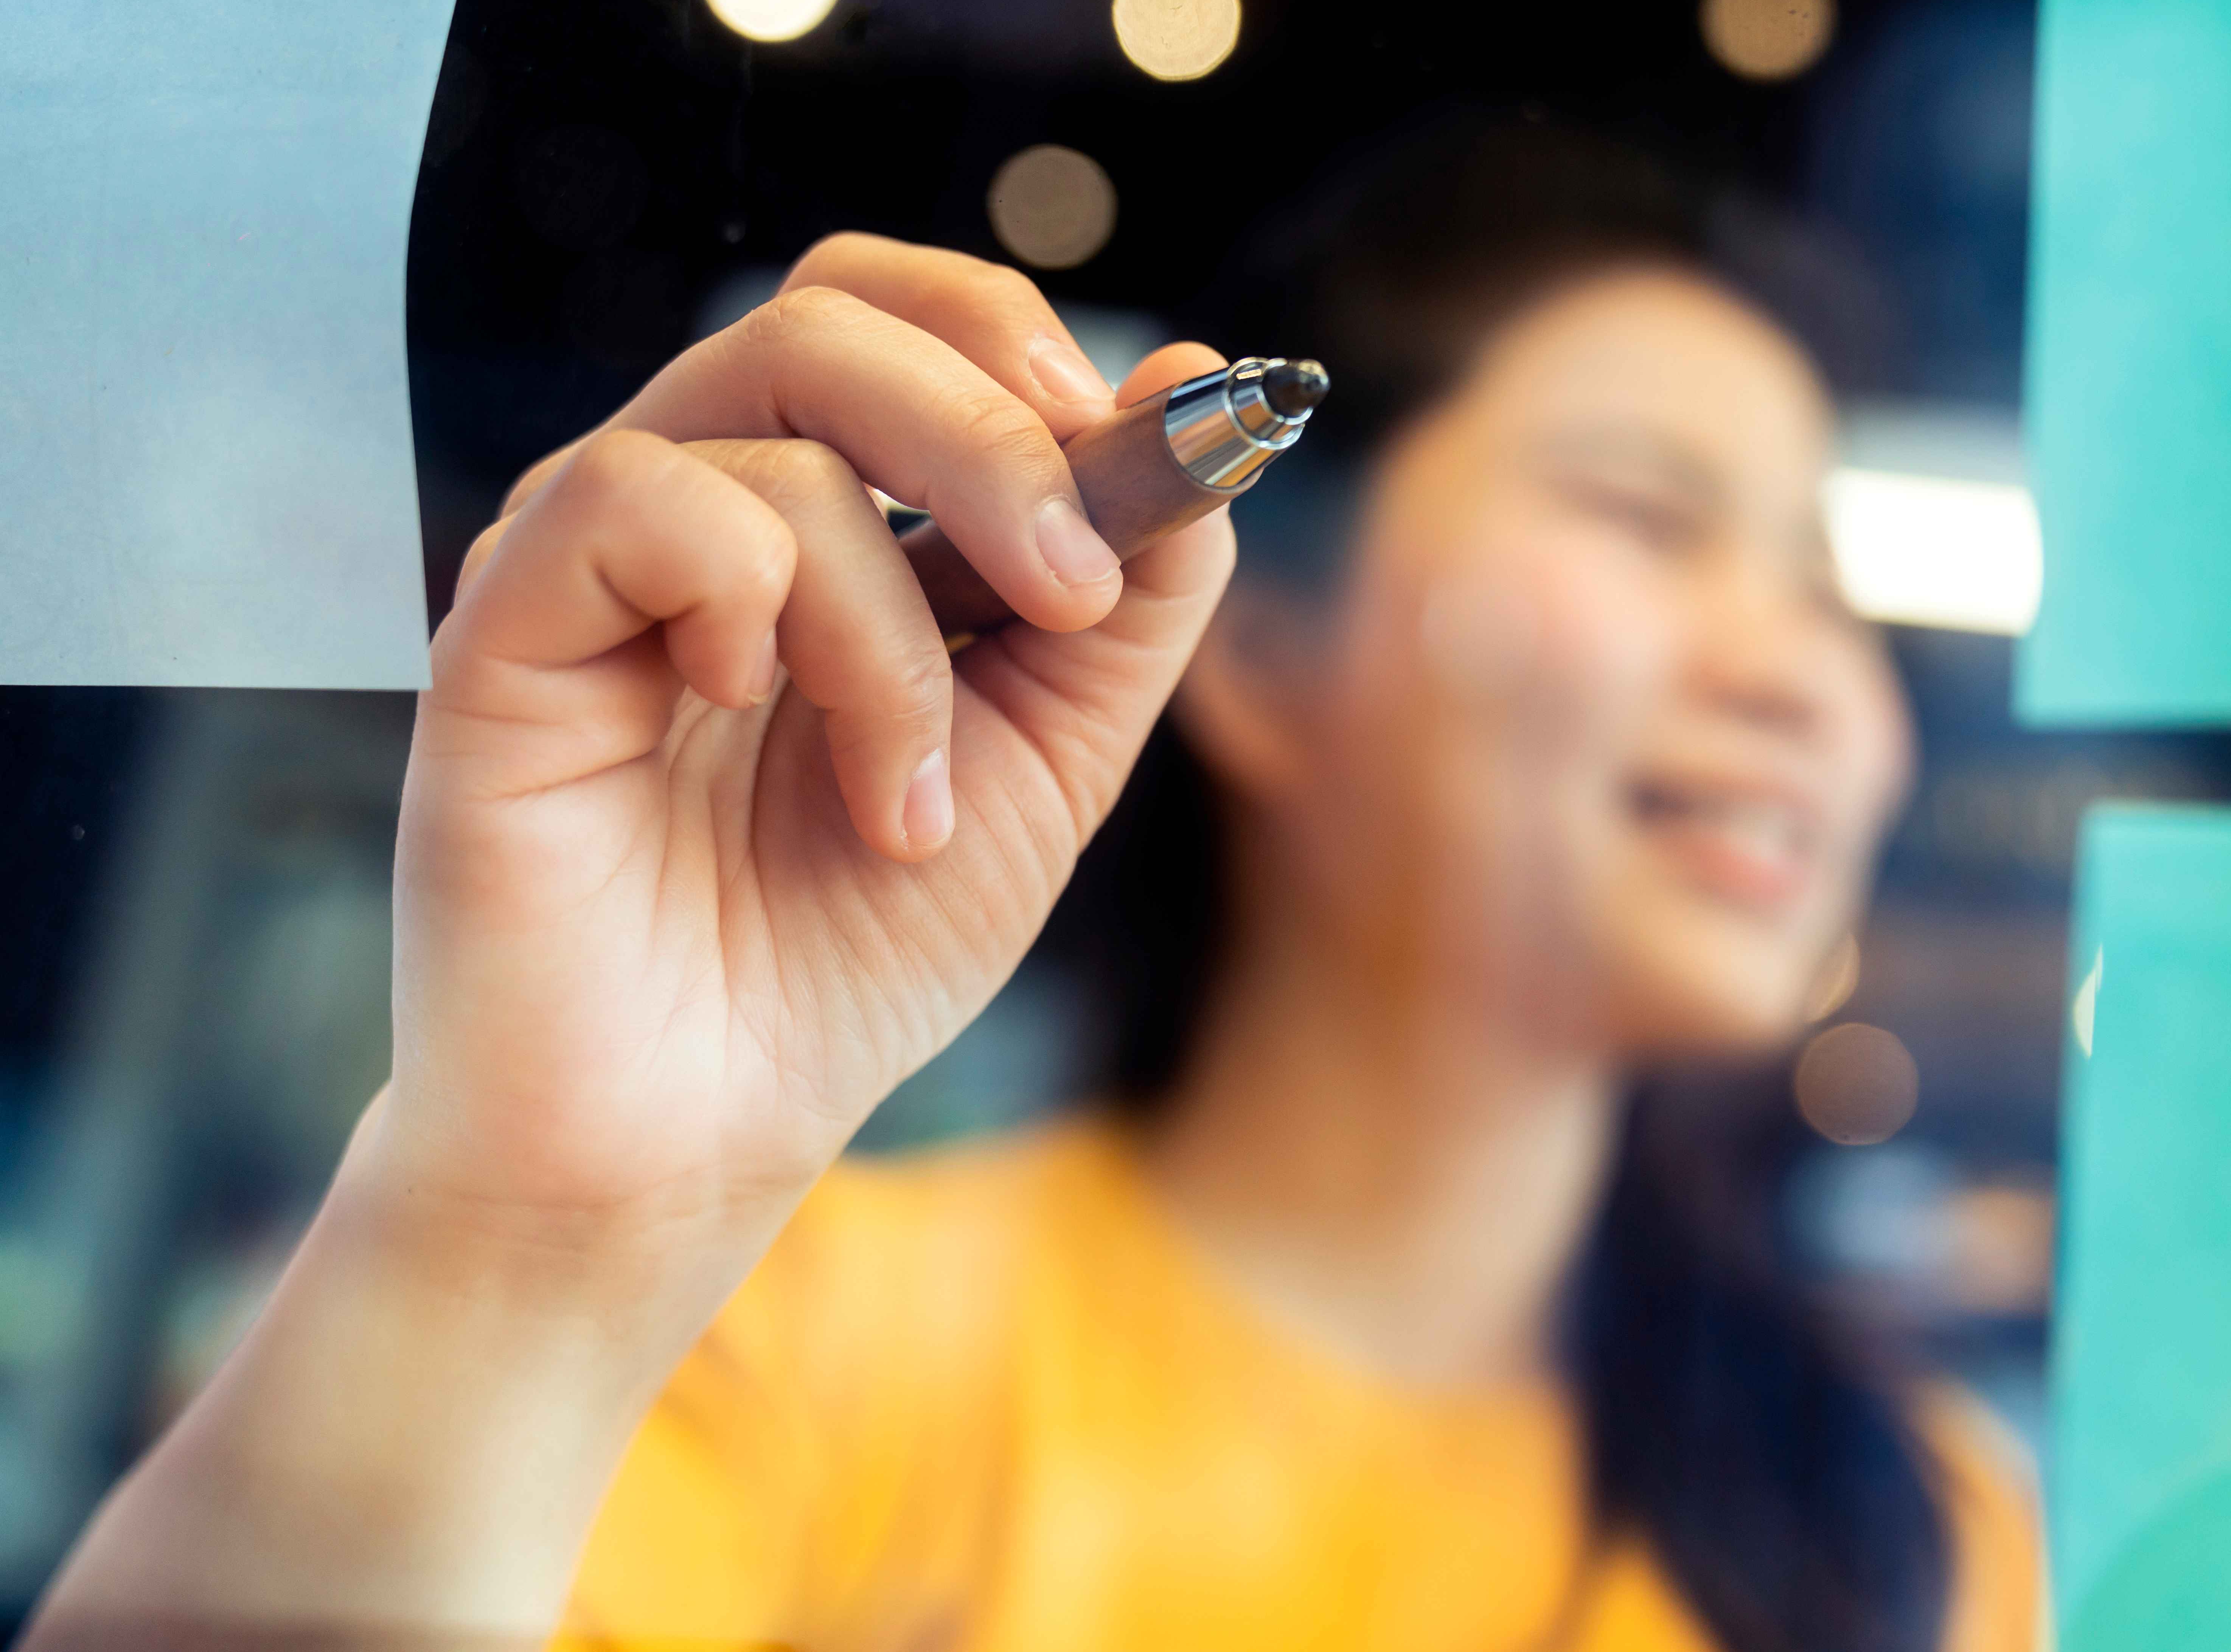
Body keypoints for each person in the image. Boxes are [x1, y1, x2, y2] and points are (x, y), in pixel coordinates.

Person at [34, 121, 2044, 1652]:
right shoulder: (797, 1342)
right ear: (1251, 647)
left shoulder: (1910, 1515)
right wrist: (532, 1206)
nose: (1804, 673)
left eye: (1828, 580)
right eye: (1646, 514)